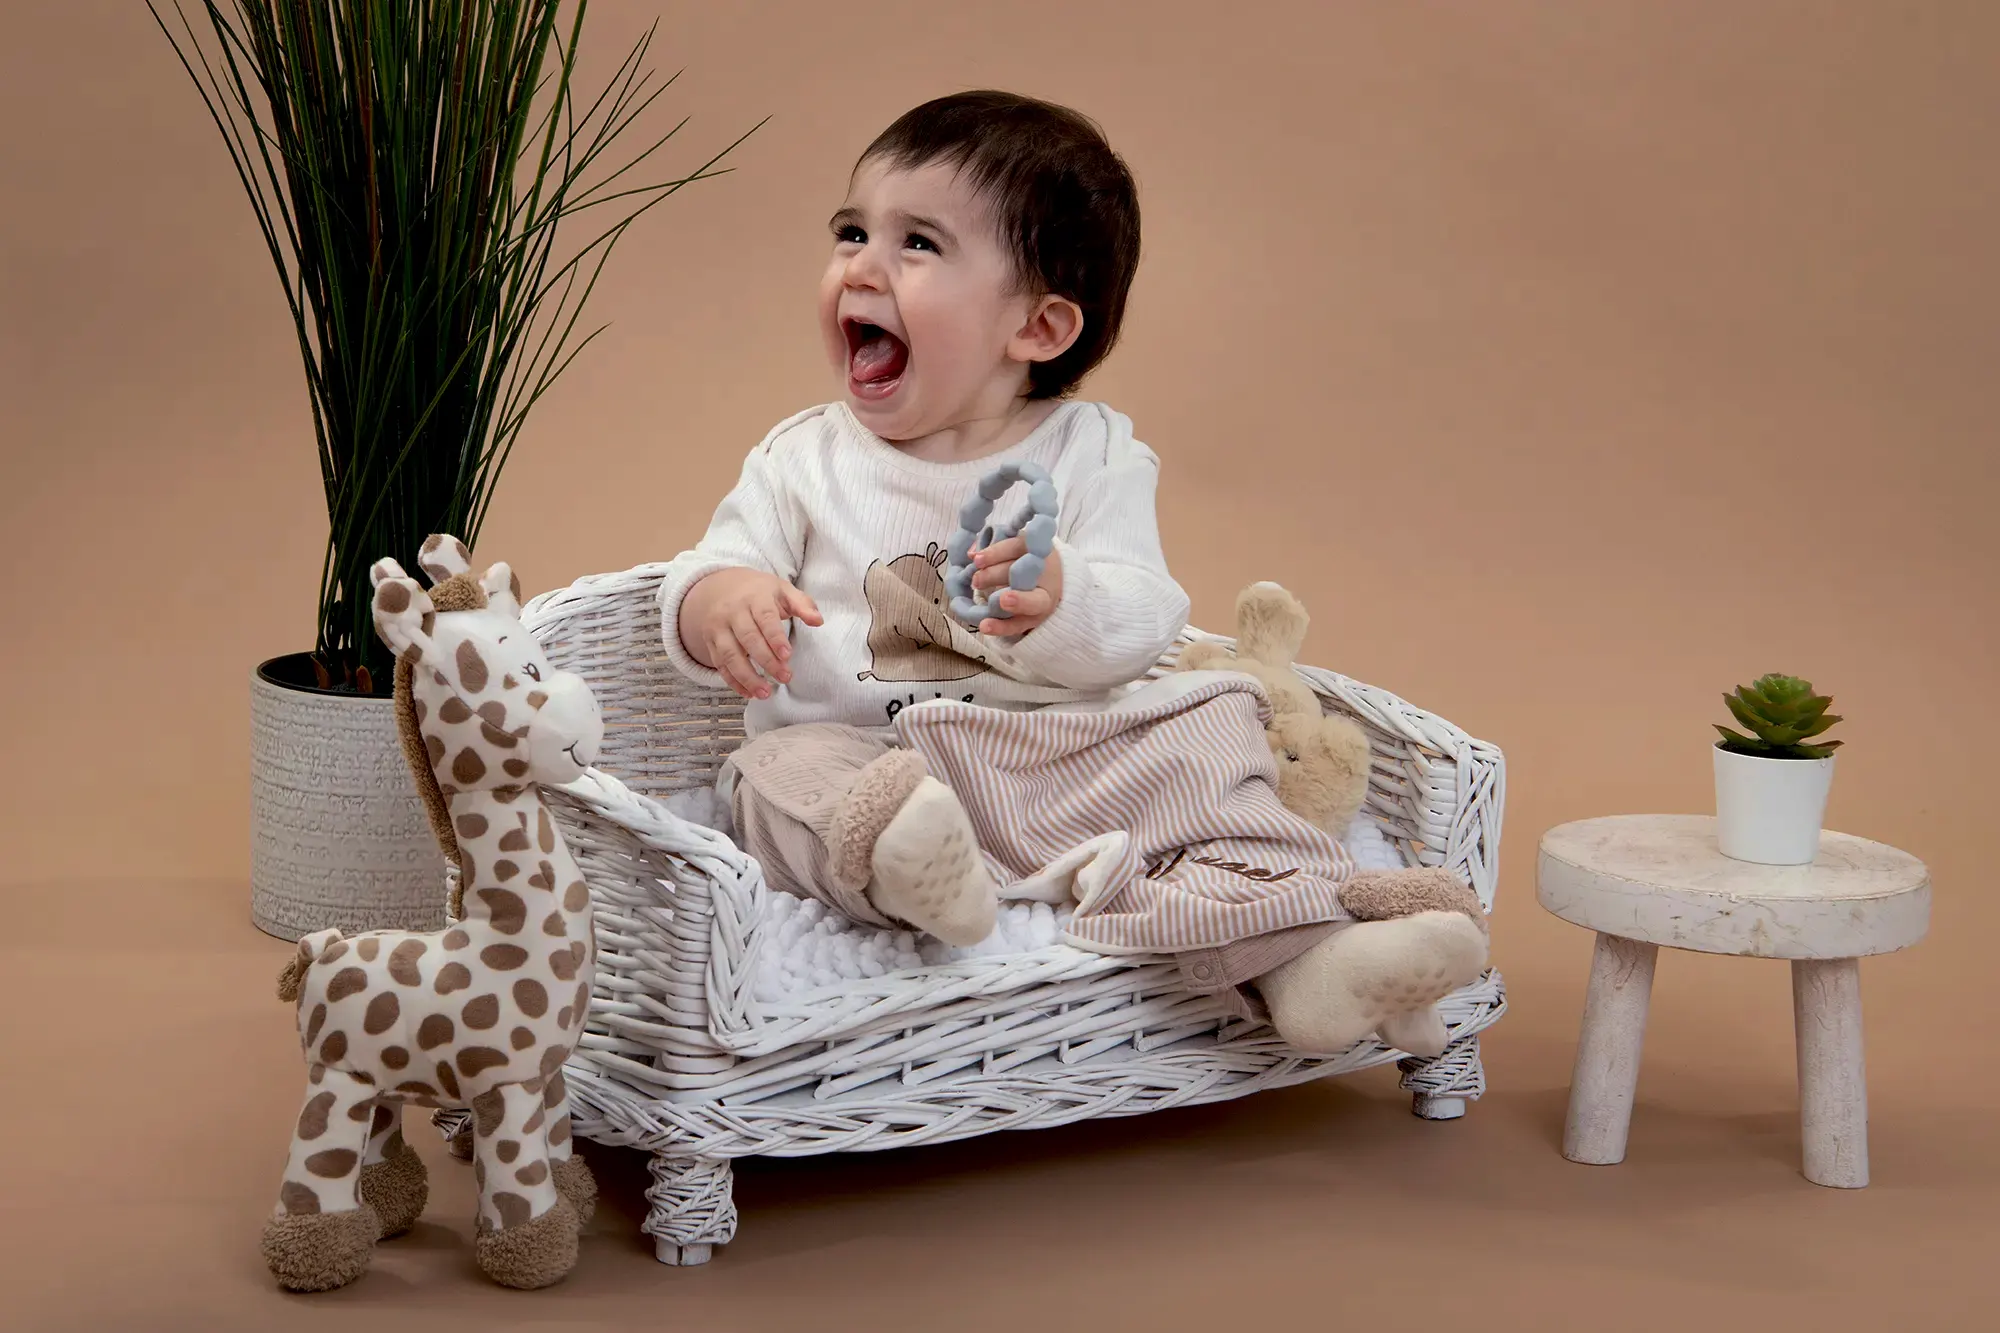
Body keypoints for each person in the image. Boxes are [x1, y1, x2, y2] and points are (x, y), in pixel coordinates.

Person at [658, 90, 1186, 946]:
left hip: (1034, 765)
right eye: (853, 232)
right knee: (765, 782)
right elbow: (712, 561)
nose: (861, 268)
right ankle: (914, 871)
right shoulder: (803, 458)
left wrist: (1066, 596)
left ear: (1038, 327)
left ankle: (1284, 913)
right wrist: (719, 600)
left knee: (1214, 717)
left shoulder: (1093, 453)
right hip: (850, 765)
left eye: (918, 244)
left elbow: (1147, 618)